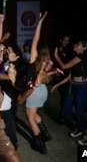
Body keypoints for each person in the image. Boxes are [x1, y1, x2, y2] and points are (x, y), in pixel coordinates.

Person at [21, 11, 61, 155]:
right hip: (42, 89)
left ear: (36, 50)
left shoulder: (33, 59)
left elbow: (35, 39)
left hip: (34, 89)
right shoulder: (46, 61)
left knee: (30, 117)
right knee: (35, 113)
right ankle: (45, 134)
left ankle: (40, 144)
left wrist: (39, 22)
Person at [52, 38, 87, 145]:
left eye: (78, 44)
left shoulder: (80, 57)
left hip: (82, 87)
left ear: (83, 48)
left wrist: (57, 56)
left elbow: (64, 66)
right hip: (73, 86)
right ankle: (80, 128)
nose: (75, 44)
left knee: (79, 112)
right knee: (66, 109)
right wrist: (57, 85)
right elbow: (70, 77)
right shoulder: (75, 58)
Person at [0, 42, 20, 149]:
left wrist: (11, 62)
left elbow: (11, 80)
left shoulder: (8, 68)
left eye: (4, 50)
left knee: (12, 143)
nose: (2, 52)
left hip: (5, 111)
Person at [51, 33, 74, 123]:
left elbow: (67, 65)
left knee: (65, 96)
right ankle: (64, 113)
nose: (65, 42)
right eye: (64, 40)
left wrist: (61, 56)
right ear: (61, 40)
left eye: (67, 40)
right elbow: (53, 61)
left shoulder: (70, 51)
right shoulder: (56, 48)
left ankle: (62, 115)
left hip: (67, 75)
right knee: (62, 96)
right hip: (59, 74)